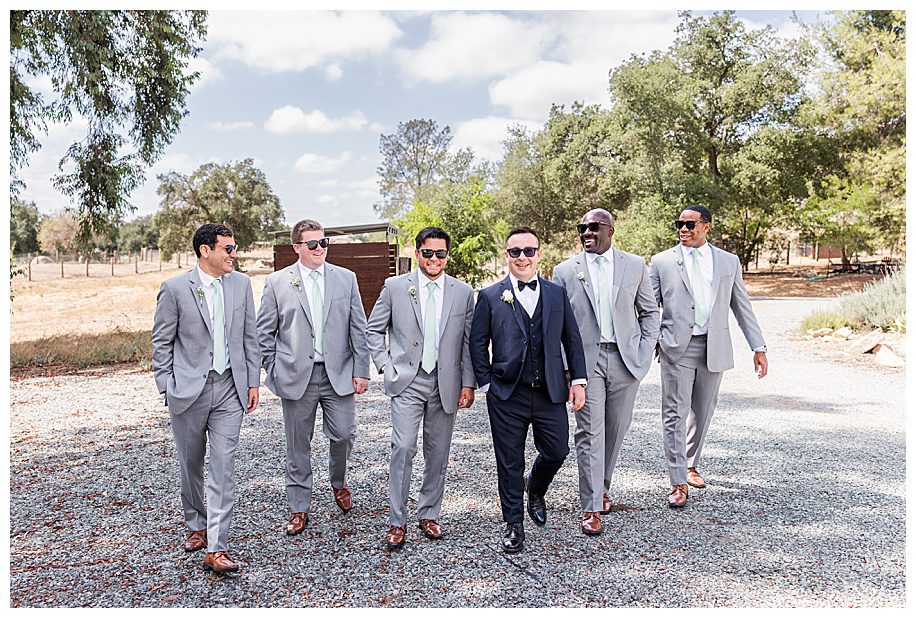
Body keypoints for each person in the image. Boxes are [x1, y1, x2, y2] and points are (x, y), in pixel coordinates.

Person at [469, 226, 587, 553]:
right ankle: (513, 523)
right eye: (515, 252)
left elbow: (572, 340)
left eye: (529, 251)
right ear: (506, 256)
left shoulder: (556, 293)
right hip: (507, 393)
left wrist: (578, 380)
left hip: (549, 391)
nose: (523, 257)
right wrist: (487, 382)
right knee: (509, 461)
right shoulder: (491, 296)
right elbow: (478, 343)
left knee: (557, 450)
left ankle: (535, 487)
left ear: (539, 254)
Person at [152, 223, 260, 574]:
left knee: (223, 467)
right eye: (228, 248)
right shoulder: (175, 289)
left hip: (230, 388)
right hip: (187, 390)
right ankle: (196, 523)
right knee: (191, 464)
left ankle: (217, 546)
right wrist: (166, 385)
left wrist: (253, 381)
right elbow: (162, 342)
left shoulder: (242, 285)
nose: (234, 254)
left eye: (235, 247)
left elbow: (250, 337)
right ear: (205, 251)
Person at [649, 205, 768, 508]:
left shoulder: (728, 261)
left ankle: (690, 465)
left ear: (706, 227)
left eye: (690, 224)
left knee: (702, 411)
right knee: (674, 412)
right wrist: (650, 342)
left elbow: (741, 306)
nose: (683, 229)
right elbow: (648, 307)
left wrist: (759, 347)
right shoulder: (663, 261)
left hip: (714, 346)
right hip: (677, 346)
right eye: (679, 224)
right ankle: (677, 481)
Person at [256, 219, 370, 535]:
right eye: (313, 244)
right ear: (297, 247)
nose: (320, 249)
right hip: (296, 376)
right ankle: (298, 507)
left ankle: (338, 482)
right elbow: (264, 332)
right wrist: (274, 368)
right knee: (297, 445)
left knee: (345, 433)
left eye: (324, 243)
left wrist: (362, 370)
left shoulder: (346, 279)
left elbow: (357, 327)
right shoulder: (278, 282)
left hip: (339, 374)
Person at [366, 227, 476, 549]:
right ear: (417, 254)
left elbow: (469, 343)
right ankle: (396, 520)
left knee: (437, 453)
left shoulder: (462, 292)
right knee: (403, 448)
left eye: (440, 254)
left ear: (447, 256)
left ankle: (429, 513)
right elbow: (373, 331)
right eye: (428, 253)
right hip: (407, 381)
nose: (434, 259)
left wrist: (468, 382)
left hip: (446, 382)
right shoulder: (395, 287)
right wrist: (386, 366)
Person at [553, 209, 660, 535]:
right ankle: (592, 506)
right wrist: (568, 368)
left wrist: (642, 352)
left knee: (616, 427)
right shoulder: (564, 271)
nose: (586, 232)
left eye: (593, 227)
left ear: (610, 230)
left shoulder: (634, 265)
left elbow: (650, 312)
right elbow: (555, 324)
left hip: (626, 359)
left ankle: (602, 485)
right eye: (581, 227)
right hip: (585, 363)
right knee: (589, 432)